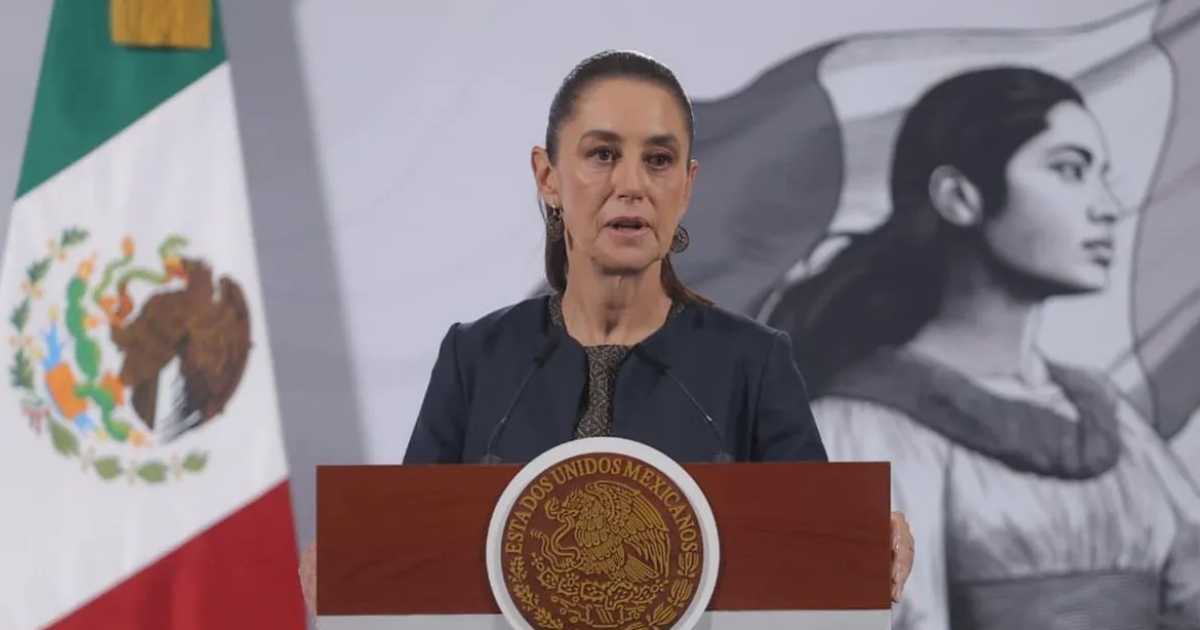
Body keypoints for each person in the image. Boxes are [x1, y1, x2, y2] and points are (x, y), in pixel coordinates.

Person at [299, 49, 914, 613]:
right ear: (548, 177)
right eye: (602, 154)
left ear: (686, 186)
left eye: (658, 160)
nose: (632, 185)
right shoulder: (475, 359)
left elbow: (814, 575)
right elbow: (411, 568)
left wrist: (868, 549)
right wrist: (355, 570)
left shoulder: (755, 363)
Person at [765, 67, 1200, 629]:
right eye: (1070, 170)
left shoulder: (1110, 418)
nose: (1108, 206)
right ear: (959, 197)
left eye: (1102, 175)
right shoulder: (849, 429)